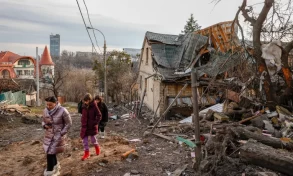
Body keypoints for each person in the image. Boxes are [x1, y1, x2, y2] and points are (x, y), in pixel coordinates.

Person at [42, 96, 72, 176]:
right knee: (52, 151)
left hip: (58, 135)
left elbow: (68, 123)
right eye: (47, 105)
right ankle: (55, 167)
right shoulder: (45, 110)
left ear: (56, 103)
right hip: (48, 135)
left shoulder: (63, 110)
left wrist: (62, 133)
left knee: (50, 152)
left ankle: (50, 171)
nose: (48, 106)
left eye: (50, 105)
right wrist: (45, 126)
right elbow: (43, 121)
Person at [80, 93, 102, 161]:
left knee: (93, 140)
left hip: (92, 126)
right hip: (84, 126)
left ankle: (97, 148)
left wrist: (94, 123)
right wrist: (82, 121)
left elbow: (99, 115)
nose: (85, 102)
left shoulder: (94, 106)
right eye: (84, 101)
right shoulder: (83, 106)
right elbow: (83, 115)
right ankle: (87, 154)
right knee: (85, 141)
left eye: (86, 101)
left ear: (89, 100)